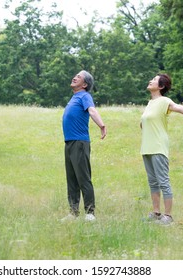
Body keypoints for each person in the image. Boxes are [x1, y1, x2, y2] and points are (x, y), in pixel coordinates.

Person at [140, 73, 183, 225]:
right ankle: (156, 213)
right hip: (146, 148)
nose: (150, 81)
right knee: (152, 182)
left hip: (158, 147)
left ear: (161, 86)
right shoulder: (150, 103)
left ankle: (168, 216)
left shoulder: (164, 101)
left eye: (154, 80)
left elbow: (176, 107)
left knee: (163, 181)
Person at [61, 70, 107, 222]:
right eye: (75, 75)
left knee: (83, 178)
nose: (74, 77)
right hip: (69, 142)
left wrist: (101, 125)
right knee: (72, 178)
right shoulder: (75, 97)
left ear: (85, 84)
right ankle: (73, 212)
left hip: (80, 142)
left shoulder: (85, 96)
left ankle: (90, 213)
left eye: (79, 77)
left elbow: (92, 110)